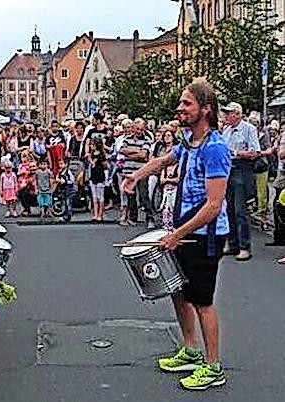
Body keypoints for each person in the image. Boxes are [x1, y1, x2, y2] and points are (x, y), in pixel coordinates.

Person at [122, 78, 231, 391]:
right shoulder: (188, 141)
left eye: (187, 103)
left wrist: (176, 234)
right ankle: (191, 349)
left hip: (205, 234)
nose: (179, 108)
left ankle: (213, 367)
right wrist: (137, 175)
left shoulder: (215, 148)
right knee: (178, 291)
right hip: (184, 230)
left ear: (205, 109)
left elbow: (213, 205)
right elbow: (164, 159)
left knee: (203, 301)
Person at [221, 102, 260, 261]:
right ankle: (233, 243)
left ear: (237, 114)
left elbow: (254, 152)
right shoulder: (226, 131)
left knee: (240, 211)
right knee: (228, 209)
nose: (226, 116)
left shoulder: (249, 129)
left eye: (229, 113)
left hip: (242, 170)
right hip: (227, 170)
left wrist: (235, 152)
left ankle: (245, 247)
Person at [88, 138, 107, 222]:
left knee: (100, 196)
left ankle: (100, 214)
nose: (91, 146)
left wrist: (96, 161)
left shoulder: (102, 154)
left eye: (92, 144)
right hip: (93, 176)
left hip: (100, 176)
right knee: (94, 197)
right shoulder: (91, 154)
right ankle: (95, 214)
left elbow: (105, 165)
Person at [56, 158, 75, 222]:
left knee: (68, 203)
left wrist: (65, 181)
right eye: (59, 164)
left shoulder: (68, 172)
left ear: (66, 164)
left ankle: (68, 215)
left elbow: (72, 180)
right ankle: (63, 215)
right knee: (63, 203)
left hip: (69, 190)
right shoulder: (60, 172)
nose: (60, 166)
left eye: (61, 164)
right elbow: (58, 178)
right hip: (63, 190)